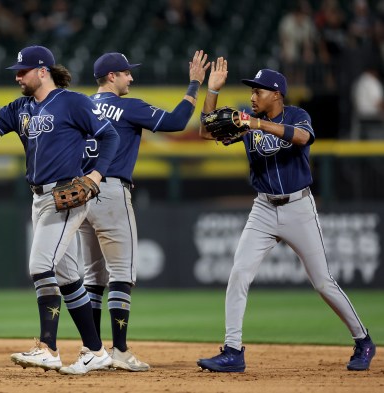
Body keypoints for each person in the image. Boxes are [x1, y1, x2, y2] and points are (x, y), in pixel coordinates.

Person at [196, 60, 376, 372]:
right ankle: (233, 351)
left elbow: (302, 138)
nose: (252, 96)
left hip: (298, 207)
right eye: (251, 91)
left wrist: (255, 124)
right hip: (263, 209)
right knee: (239, 274)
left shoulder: (296, 115)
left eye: (258, 90)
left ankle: (363, 340)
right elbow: (205, 132)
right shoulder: (249, 119)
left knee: (322, 282)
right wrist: (212, 90)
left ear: (276, 94)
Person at [0, 45, 120, 375]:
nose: (17, 76)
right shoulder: (21, 107)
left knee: (40, 265)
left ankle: (48, 347)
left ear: (43, 71)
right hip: (39, 199)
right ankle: (97, 352)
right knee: (70, 278)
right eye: (16, 71)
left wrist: (95, 175)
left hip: (66, 196)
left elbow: (110, 136)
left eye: (23, 71)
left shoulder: (73, 102)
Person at [73, 50, 209, 372]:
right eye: (125, 73)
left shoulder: (79, 106)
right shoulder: (128, 107)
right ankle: (119, 350)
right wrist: (194, 84)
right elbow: (176, 122)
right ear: (111, 77)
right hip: (110, 191)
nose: (130, 77)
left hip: (80, 191)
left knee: (93, 278)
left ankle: (92, 351)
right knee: (121, 274)